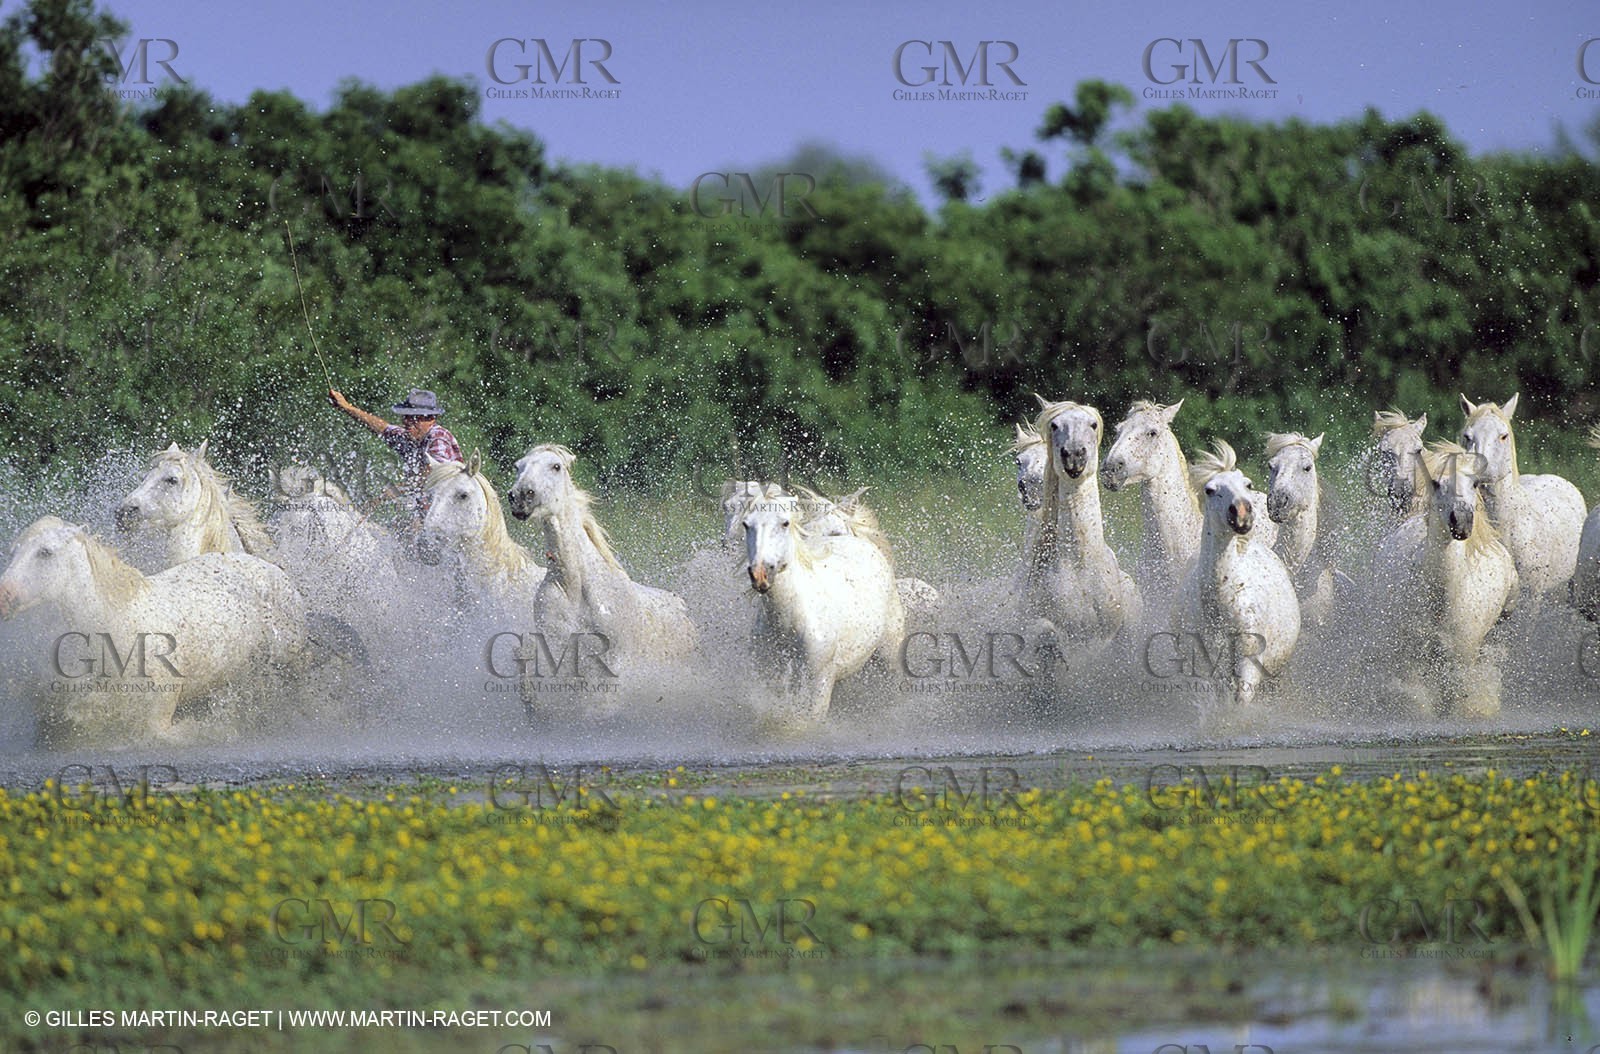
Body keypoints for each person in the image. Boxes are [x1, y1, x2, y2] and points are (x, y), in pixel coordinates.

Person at [328, 387, 463, 521]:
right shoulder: (410, 438)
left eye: (415, 417)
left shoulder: (438, 437)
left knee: (411, 527)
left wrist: (388, 494)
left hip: (449, 517)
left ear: (431, 419)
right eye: (406, 416)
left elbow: (433, 475)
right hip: (427, 514)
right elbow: (381, 427)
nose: (407, 422)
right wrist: (347, 407)